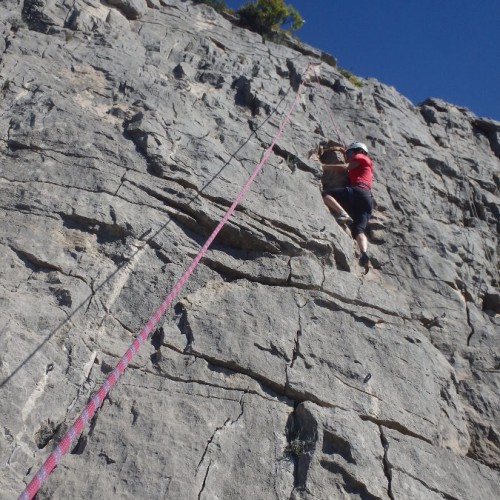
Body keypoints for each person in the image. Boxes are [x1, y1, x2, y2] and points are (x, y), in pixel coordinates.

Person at [321, 141, 374, 269]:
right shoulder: (365, 164)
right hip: (367, 199)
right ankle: (364, 253)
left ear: (358, 151)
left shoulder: (361, 156)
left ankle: (343, 214)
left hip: (358, 191)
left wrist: (324, 166)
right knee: (358, 230)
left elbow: (346, 167)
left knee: (326, 194)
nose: (348, 156)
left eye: (350, 153)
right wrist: (341, 149)